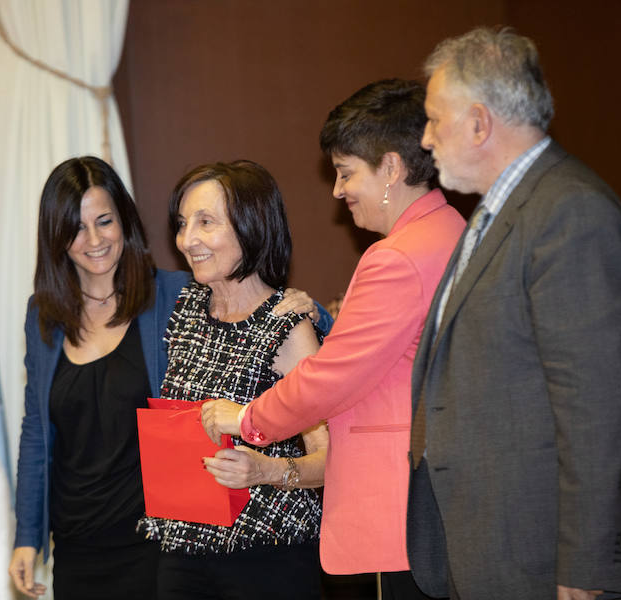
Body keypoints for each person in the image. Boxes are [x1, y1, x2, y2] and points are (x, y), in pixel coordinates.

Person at [405, 27, 621, 599]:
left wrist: (584, 566)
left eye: (434, 119)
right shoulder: (500, 212)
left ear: (480, 123)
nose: (426, 139)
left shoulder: (571, 213)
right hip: (488, 544)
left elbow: (596, 409)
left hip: (540, 555)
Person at [8, 157, 327, 599]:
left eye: (105, 221)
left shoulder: (176, 294)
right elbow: (36, 432)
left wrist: (310, 308)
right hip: (78, 536)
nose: (94, 239)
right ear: (56, 235)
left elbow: (263, 311)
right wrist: (28, 534)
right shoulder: (43, 314)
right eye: (77, 227)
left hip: (158, 535)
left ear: (126, 222)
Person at [200, 80, 465, 599]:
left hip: (401, 504)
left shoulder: (394, 257)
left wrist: (245, 418)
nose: (338, 191)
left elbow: (333, 376)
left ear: (391, 168)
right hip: (443, 494)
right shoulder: (451, 228)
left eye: (346, 174)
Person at [136, 160, 329, 600]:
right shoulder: (184, 307)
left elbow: (332, 459)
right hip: (182, 549)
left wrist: (266, 469)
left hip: (267, 554)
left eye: (206, 222)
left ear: (251, 226)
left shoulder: (287, 325)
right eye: (183, 224)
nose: (188, 240)